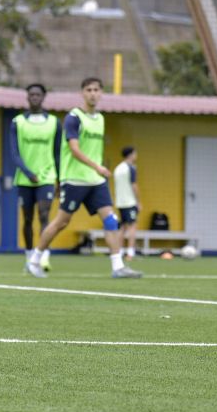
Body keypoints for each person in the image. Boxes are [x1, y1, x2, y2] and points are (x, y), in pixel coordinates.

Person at [27, 78, 143, 279]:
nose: (92, 93)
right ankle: (35, 259)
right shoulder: (74, 117)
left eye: (96, 90)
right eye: (88, 90)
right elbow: (74, 149)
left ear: (101, 93)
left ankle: (118, 266)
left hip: (96, 181)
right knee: (61, 223)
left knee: (111, 220)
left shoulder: (100, 119)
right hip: (74, 179)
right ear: (82, 93)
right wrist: (98, 167)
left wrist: (98, 169)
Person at [10, 84, 61, 272]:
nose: (34, 97)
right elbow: (14, 154)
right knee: (28, 219)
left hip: (47, 177)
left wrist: (60, 180)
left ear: (44, 97)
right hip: (25, 179)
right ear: (27, 97)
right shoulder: (17, 122)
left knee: (44, 214)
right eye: (31, 94)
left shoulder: (54, 122)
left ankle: (43, 256)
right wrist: (28, 172)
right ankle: (29, 256)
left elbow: (57, 154)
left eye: (38, 95)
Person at [113, 146, 140, 260]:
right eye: (135, 153)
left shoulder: (118, 168)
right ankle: (130, 252)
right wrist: (138, 201)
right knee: (132, 226)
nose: (136, 156)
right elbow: (134, 185)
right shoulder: (131, 168)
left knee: (122, 228)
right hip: (129, 202)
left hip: (120, 202)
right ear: (131, 155)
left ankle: (118, 252)